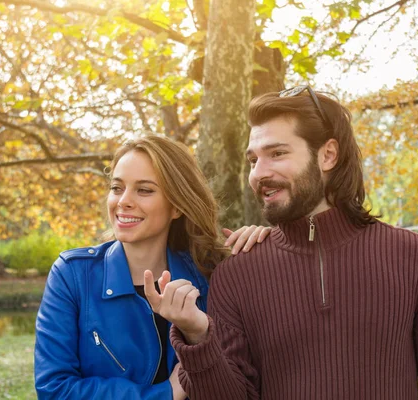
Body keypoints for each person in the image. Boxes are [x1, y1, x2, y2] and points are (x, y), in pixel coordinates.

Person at [145, 86, 418, 399]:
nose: (259, 173)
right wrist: (198, 336)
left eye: (276, 153)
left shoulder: (415, 258)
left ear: (328, 154)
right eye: (253, 160)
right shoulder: (236, 272)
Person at [34, 135, 271, 399]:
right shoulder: (72, 274)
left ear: (177, 207)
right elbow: (54, 390)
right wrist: (164, 393)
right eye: (116, 187)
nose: (123, 201)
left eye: (144, 190)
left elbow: (244, 384)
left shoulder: (213, 274)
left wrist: (269, 245)